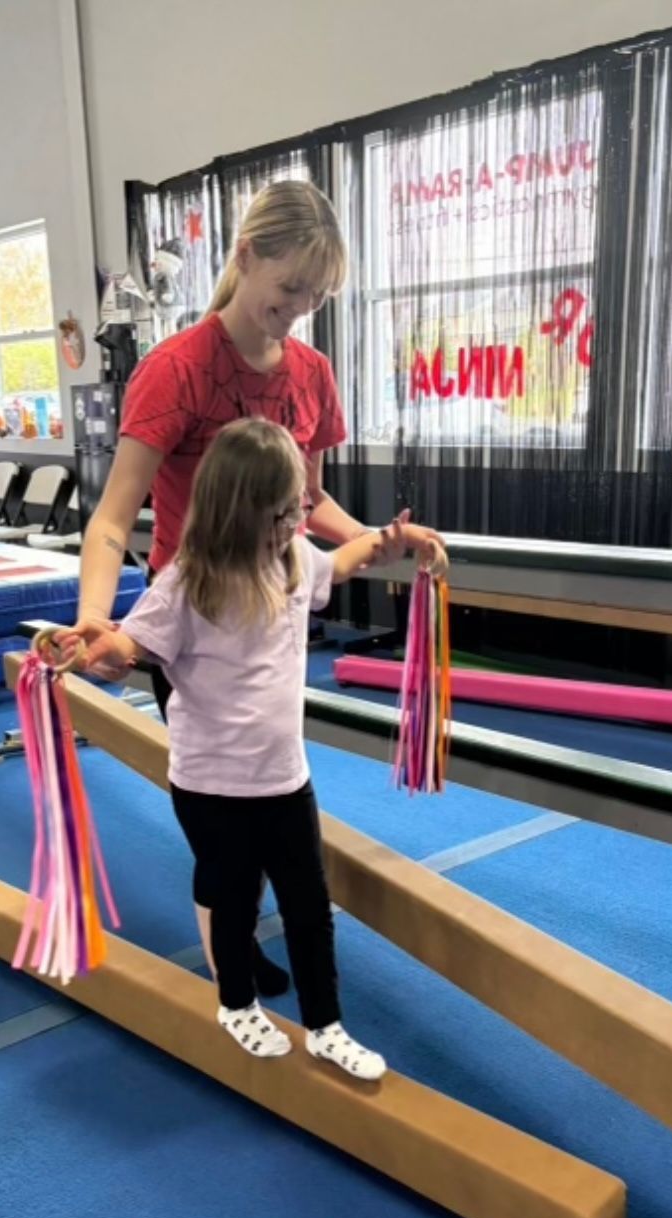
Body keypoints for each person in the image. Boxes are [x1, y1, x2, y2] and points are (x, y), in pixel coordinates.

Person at [61, 178, 445, 996]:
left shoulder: (310, 373)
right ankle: (226, 959)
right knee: (224, 807)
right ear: (246, 257)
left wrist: (385, 539)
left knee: (271, 781)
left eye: (317, 293)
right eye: (290, 287)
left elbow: (310, 504)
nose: (300, 307)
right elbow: (111, 518)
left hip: (272, 610)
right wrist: (96, 619)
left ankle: (245, 930)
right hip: (192, 619)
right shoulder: (177, 371)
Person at [69, 418, 406, 1079]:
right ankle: (236, 1003)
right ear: (241, 510)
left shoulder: (294, 560)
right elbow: (130, 649)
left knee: (310, 907)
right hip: (212, 785)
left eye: (299, 509)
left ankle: (326, 1024)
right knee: (234, 901)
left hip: (285, 779)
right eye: (285, 512)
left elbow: (342, 560)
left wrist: (391, 543)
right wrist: (96, 649)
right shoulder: (187, 583)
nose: (298, 522)